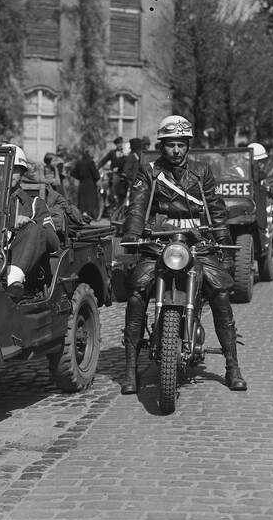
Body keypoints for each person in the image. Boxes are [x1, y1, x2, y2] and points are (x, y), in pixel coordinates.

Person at [120, 114, 246, 394]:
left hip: (197, 243)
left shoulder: (202, 171)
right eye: (170, 144)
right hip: (158, 242)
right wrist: (132, 233)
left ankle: (232, 364)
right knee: (137, 291)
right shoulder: (149, 171)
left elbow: (215, 209)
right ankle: (130, 369)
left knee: (220, 292)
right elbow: (138, 206)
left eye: (181, 144)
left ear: (188, 145)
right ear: (161, 146)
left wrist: (223, 241)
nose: (176, 150)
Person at [0, 145, 59, 299]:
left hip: (25, 274)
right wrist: (10, 222)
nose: (10, 172)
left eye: (16, 169)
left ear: (23, 173)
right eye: (4, 167)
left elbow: (54, 243)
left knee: (34, 229)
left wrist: (28, 225)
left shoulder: (34, 204)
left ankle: (12, 281)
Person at [70, 150, 100, 221]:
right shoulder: (91, 162)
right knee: (90, 201)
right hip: (91, 184)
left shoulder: (79, 162)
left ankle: (83, 215)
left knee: (82, 201)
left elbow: (73, 173)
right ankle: (89, 216)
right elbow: (96, 175)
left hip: (82, 184)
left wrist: (80, 178)